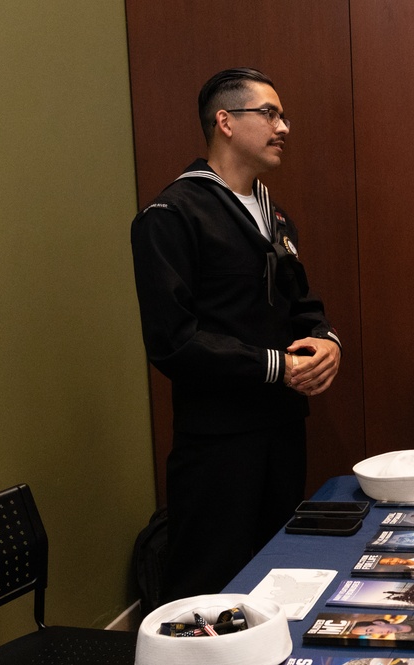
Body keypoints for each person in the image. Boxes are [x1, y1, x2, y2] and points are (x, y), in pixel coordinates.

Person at [130, 67, 341, 601]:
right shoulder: (172, 214)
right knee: (212, 588)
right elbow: (173, 340)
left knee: (277, 579)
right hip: (218, 441)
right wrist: (279, 366)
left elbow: (303, 306)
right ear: (225, 122)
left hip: (282, 428)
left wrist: (325, 341)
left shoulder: (275, 216)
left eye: (283, 115)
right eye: (269, 113)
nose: (283, 127)